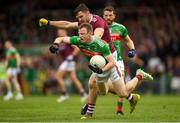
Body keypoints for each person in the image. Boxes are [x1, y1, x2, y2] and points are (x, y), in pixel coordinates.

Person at [39, 3, 140, 118]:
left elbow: (96, 37)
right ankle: (93, 109)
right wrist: (49, 23)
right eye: (77, 18)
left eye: (81, 17)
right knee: (98, 87)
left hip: (109, 56)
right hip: (98, 57)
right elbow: (67, 24)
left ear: (88, 13)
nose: (79, 19)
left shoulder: (99, 22)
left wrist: (82, 41)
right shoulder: (84, 25)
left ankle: (138, 77)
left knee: (106, 88)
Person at [49, 23, 153, 119]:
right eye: (79, 33)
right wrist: (55, 45)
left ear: (90, 33)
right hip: (98, 68)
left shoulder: (101, 45)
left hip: (110, 67)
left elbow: (112, 62)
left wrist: (101, 70)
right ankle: (130, 97)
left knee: (119, 92)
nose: (80, 36)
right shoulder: (78, 40)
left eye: (83, 34)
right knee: (104, 91)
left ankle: (139, 75)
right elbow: (61, 38)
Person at [55, 29, 87, 103]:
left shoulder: (67, 40)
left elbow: (77, 48)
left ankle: (64, 94)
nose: (59, 33)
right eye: (58, 32)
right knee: (73, 79)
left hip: (69, 61)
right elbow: (60, 52)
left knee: (58, 76)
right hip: (67, 61)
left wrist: (72, 55)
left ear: (65, 32)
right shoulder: (61, 42)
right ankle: (83, 93)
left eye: (61, 31)